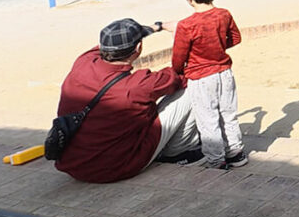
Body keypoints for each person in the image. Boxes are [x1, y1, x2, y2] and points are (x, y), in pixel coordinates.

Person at [54, 19, 202, 183]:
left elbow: (104, 45)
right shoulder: (139, 85)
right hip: (117, 167)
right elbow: (183, 76)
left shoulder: (83, 62)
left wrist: (156, 27)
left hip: (74, 166)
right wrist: (178, 39)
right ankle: (179, 151)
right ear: (138, 48)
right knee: (193, 87)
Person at [170, 0, 247, 170]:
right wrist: (218, 46)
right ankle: (235, 152)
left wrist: (178, 71)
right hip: (224, 72)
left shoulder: (186, 25)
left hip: (201, 76)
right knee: (228, 113)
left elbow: (179, 56)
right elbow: (235, 38)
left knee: (207, 118)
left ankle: (216, 159)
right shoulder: (224, 14)